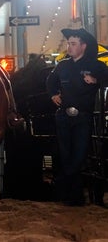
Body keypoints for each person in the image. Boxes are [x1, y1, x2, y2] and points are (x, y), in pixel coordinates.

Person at [46, 27, 108, 206]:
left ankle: (68, 189)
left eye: (73, 44)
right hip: (63, 117)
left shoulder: (96, 65)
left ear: (83, 46)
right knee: (67, 155)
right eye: (68, 43)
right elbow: (50, 80)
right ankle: (74, 196)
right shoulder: (63, 65)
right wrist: (53, 94)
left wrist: (96, 81)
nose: (69, 47)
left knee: (78, 155)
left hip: (83, 117)